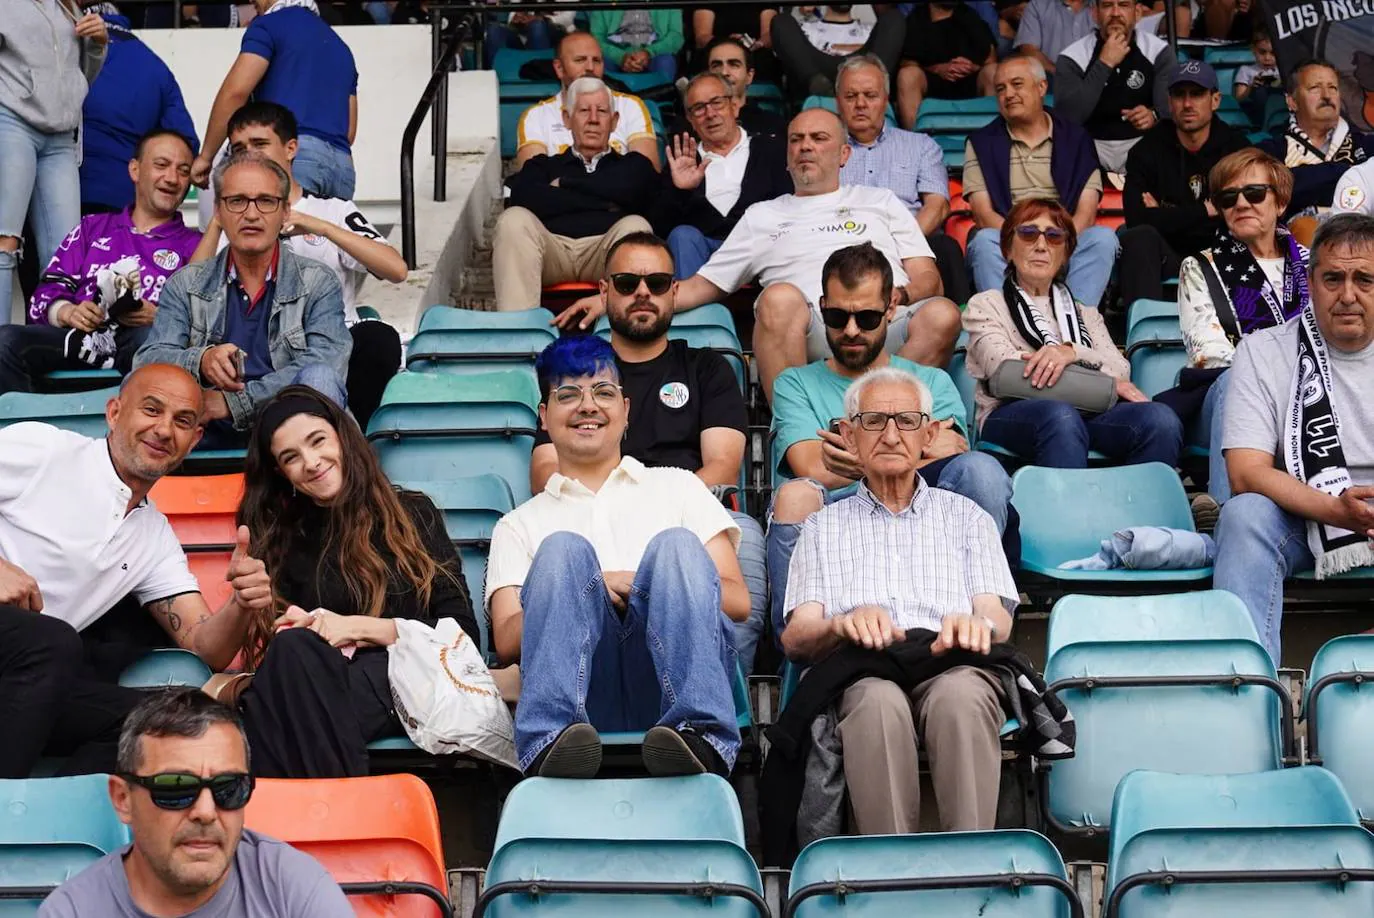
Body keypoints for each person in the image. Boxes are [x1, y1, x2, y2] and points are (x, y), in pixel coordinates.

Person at [560, 108, 963, 403]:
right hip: (812, 332)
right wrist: (611, 298)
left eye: (818, 139)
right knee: (778, 298)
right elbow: (702, 285)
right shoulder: (764, 215)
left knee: (943, 313)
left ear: (844, 154)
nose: (805, 146)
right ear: (786, 156)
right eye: (796, 140)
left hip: (883, 324)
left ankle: (881, 409)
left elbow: (928, 277)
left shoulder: (881, 201)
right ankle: (802, 420)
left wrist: (900, 297)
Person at [487, 335, 746, 778]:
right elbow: (508, 639)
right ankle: (551, 742)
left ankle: (700, 736)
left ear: (626, 411)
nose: (588, 406)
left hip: (671, 670)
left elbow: (738, 601)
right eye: (568, 394)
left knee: (675, 547)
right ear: (545, 419)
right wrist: (585, 589)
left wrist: (644, 582)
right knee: (562, 551)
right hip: (583, 683)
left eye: (603, 392)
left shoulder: (679, 486)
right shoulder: (518, 523)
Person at [0, 364, 275, 779]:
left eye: (183, 421)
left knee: (159, 722)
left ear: (194, 440)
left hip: (25, 683)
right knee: (53, 641)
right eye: (151, 410)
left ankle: (57, 821)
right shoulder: (46, 450)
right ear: (114, 413)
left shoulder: (154, 537)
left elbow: (205, 647)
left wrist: (240, 603)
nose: (164, 430)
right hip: (27, 648)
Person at [780, 365, 1017, 835]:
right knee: (875, 704)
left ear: (928, 434)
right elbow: (796, 638)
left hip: (951, 661)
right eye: (873, 422)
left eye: (906, 421)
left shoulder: (967, 516)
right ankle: (890, 876)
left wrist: (977, 627)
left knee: (962, 696)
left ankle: (971, 870)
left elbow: (997, 617)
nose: (891, 435)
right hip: (863, 669)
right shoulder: (822, 527)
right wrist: (839, 624)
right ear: (848, 436)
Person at [528, 233, 769, 672]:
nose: (643, 292)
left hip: (689, 519)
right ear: (604, 292)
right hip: (590, 518)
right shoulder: (577, 378)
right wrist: (619, 511)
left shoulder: (706, 368)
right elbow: (546, 469)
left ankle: (727, 704)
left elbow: (721, 465)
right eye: (626, 282)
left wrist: (653, 510)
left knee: (745, 534)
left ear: (674, 293)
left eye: (657, 283)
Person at [768, 241, 1016, 643]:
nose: (850, 330)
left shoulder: (930, 380)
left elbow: (953, 451)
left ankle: (982, 627)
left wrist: (857, 458)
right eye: (836, 316)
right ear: (821, 308)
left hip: (919, 512)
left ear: (891, 311)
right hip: (836, 517)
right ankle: (798, 650)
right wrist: (900, 453)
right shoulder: (795, 382)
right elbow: (810, 467)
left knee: (981, 471)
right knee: (796, 495)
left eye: (866, 317)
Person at [232, 386, 478, 777]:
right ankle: (345, 807)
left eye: (318, 441)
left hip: (409, 678)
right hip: (325, 688)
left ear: (343, 437)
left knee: (271, 707)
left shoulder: (412, 513)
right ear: (282, 474)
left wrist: (353, 628)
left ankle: (303, 821)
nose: (311, 463)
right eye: (291, 458)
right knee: (294, 652)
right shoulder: (283, 540)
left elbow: (462, 634)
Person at [1213, 213, 1374, 664]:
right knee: (1244, 515)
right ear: (1310, 281)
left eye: (1365, 279)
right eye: (1333, 279)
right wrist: (1336, 510)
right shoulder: (1262, 350)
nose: (1347, 295)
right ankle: (1246, 692)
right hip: (1305, 513)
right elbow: (1245, 472)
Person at [37, 689, 354, 917]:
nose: (205, 812)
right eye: (176, 788)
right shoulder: (73, 911)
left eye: (229, 788)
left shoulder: (290, 887)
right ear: (123, 799)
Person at [196, 102, 406, 429]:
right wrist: (219, 219)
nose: (249, 155)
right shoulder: (235, 217)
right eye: (239, 149)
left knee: (378, 339)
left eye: (260, 144)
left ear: (291, 148)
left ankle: (354, 447)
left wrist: (318, 225)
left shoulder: (332, 210)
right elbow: (190, 294)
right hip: (258, 356)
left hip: (333, 351)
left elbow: (396, 269)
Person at [135, 151, 351, 450]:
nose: (251, 214)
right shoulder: (186, 284)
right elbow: (147, 360)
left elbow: (327, 361)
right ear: (219, 213)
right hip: (203, 425)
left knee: (320, 378)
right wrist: (200, 360)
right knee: (136, 388)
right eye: (237, 201)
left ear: (285, 212)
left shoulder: (317, 282)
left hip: (291, 431)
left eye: (265, 201)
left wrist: (235, 402)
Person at [964, 198, 1183, 466]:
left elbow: (1120, 371)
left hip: (1089, 413)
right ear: (1008, 249)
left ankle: (1140, 505)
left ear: (1065, 254)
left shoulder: (1085, 314)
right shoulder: (986, 304)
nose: (1041, 245)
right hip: (1009, 413)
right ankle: (1070, 508)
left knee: (1159, 419)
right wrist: (1098, 382)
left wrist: (1070, 352)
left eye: (1054, 237)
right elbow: (1006, 371)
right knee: (1061, 416)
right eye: (1028, 233)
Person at [0, 131, 201, 395]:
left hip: (145, 346)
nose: (172, 178)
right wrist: (67, 312)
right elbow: (44, 294)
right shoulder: (92, 227)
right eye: (161, 165)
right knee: (5, 341)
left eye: (183, 171)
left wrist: (162, 317)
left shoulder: (196, 244)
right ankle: (28, 431)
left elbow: (209, 317)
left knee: (153, 341)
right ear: (135, 170)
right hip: (80, 340)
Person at [1172, 149, 1306, 506]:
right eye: (1228, 197)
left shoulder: (1315, 263)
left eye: (1255, 193)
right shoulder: (1200, 266)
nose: (1242, 203)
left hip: (1312, 388)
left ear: (1280, 202)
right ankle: (1228, 513)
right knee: (1236, 379)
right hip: (1227, 396)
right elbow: (1211, 355)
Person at [963, 55, 1118, 308]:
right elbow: (982, 214)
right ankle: (1006, 326)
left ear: (1042, 87)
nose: (1008, 94)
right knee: (983, 241)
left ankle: (1075, 326)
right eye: (1000, 89)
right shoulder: (981, 142)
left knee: (1102, 239)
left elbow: (1087, 213)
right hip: (1009, 238)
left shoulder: (1076, 138)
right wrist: (1024, 242)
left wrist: (1055, 243)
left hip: (1063, 237)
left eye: (1017, 84)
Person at [494, 77, 659, 312]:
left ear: (614, 122)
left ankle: (629, 335)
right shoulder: (541, 166)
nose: (593, 119)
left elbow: (637, 194)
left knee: (636, 226)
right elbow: (524, 199)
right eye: (583, 110)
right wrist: (606, 202)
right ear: (567, 119)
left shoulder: (634, 166)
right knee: (513, 220)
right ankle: (519, 336)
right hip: (552, 251)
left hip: (605, 251)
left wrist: (565, 185)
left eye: (601, 111)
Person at [0, 0, 107, 323]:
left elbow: (81, 76)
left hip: (61, 135)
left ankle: (56, 351)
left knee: (66, 253)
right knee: (4, 241)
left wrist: (98, 44)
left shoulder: (66, 3)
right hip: (12, 120)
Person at [836, 55, 971, 307]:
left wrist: (900, 244)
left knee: (945, 247)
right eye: (851, 96)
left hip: (909, 242)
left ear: (886, 100)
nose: (861, 104)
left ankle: (960, 336)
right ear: (838, 102)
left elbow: (938, 205)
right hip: (842, 240)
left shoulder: (920, 146)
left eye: (870, 95)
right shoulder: (825, 148)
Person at [192, 0, 359, 200]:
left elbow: (235, 93)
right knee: (325, 231)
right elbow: (349, 132)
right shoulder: (342, 48)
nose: (252, 1)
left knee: (274, 228)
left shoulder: (269, 25)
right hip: (342, 168)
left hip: (296, 156)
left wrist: (205, 157)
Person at [1118, 60, 1251, 306]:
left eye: (1197, 94)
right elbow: (1136, 219)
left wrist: (1164, 214)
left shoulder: (1237, 149)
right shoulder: (1146, 150)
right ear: (1169, 102)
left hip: (1222, 254)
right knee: (1139, 238)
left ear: (1215, 100)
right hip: (1168, 255)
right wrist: (1204, 211)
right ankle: (1144, 333)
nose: (1188, 104)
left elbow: (1241, 214)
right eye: (1179, 95)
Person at [655, 73, 792, 279]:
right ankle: (692, 311)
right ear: (690, 120)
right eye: (699, 108)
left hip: (760, 251)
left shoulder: (771, 150)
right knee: (682, 235)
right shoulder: (682, 160)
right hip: (703, 256)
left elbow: (790, 206)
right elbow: (660, 228)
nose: (710, 114)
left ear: (734, 106)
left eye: (717, 103)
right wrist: (682, 191)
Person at [80, 11, 198, 215]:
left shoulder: (71, 48)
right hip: (125, 199)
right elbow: (186, 141)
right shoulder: (156, 66)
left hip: (66, 191)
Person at [1053, 0, 1175, 174]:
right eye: (1107, 5)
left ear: (1138, 12)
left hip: (1143, 142)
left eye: (1124, 5)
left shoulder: (1158, 51)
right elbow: (1069, 117)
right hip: (1091, 145)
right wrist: (1105, 63)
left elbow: (1173, 107)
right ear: (1094, 13)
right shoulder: (1072, 56)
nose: (1116, 13)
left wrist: (1153, 115)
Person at [514, 31, 660, 171]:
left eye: (597, 60)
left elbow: (647, 172)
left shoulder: (630, 106)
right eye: (580, 60)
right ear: (559, 68)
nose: (590, 68)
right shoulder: (536, 116)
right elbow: (533, 181)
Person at [1258, 59, 1374, 228]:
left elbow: (1290, 186)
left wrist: (1303, 181)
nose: (1327, 95)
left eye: (1333, 88)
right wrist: (1348, 172)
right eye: (1315, 88)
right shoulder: (1271, 152)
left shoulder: (1368, 145)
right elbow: (1272, 192)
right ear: (1292, 101)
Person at [896, 0, 998, 130]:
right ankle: (916, 140)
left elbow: (991, 58)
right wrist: (938, 69)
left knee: (993, 72)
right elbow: (907, 62)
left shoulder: (970, 15)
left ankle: (993, 138)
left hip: (969, 80)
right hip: (932, 82)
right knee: (907, 75)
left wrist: (972, 68)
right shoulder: (917, 18)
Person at [770, 4, 906, 99]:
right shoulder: (804, 28)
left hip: (861, 73)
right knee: (780, 21)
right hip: (817, 76)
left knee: (894, 17)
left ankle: (871, 91)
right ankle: (821, 90)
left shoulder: (871, 30)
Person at [702, 37, 787, 138]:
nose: (724, 72)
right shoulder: (696, 126)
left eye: (734, 65)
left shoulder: (774, 125)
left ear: (749, 76)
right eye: (716, 66)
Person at [589, 4, 684, 83]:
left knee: (665, 62)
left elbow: (676, 36)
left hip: (655, 53)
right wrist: (620, 57)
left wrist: (649, 52)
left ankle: (663, 104)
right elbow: (595, 38)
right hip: (615, 52)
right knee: (599, 62)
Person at [1014, 0, 1094, 77]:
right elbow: (1029, 51)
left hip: (1097, 82)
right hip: (1051, 83)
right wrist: (1061, 75)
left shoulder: (1101, 6)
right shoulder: (1037, 6)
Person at [1232, 28, 1280, 124]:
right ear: (1253, 49)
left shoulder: (1282, 70)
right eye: (1262, 52)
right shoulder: (1245, 70)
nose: (1267, 58)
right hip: (1255, 113)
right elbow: (1239, 98)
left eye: (1273, 53)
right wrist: (1251, 87)